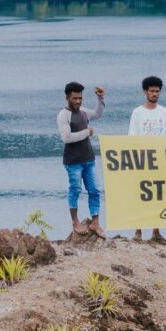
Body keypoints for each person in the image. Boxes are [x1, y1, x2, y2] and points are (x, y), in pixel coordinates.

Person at [57, 81, 106, 238]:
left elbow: (97, 114)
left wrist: (100, 99)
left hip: (89, 159)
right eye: (74, 98)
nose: (78, 101)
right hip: (73, 162)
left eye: (80, 98)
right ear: (67, 98)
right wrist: (87, 132)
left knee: (94, 190)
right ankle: (75, 221)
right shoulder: (63, 115)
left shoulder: (84, 111)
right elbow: (67, 138)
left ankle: (95, 221)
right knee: (75, 190)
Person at [128, 75, 166, 243]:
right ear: (145, 92)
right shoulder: (138, 113)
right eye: (152, 91)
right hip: (143, 160)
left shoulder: (164, 112)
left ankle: (156, 231)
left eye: (157, 91)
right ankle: (138, 230)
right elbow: (132, 136)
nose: (155, 94)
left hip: (160, 160)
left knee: (159, 195)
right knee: (141, 195)